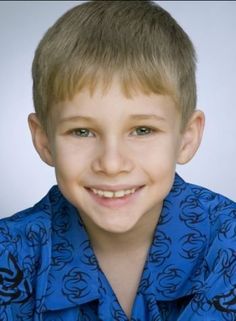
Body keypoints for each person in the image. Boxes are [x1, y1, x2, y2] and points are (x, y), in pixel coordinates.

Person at [0, 1, 235, 320]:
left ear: (186, 138)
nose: (111, 164)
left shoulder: (228, 241)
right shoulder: (9, 254)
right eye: (82, 131)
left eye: (142, 130)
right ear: (44, 141)